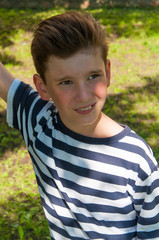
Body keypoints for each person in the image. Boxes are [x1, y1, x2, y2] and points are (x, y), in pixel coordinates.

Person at [0, 10, 159, 240]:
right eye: (66, 82)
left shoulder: (137, 160)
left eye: (93, 76)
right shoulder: (40, 122)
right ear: (42, 87)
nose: (83, 95)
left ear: (107, 72)